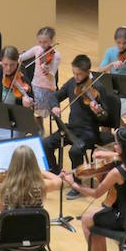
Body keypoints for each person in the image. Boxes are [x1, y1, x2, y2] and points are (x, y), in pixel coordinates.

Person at [60, 126, 126, 251]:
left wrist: (73, 184)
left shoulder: (116, 173)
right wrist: (111, 154)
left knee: (87, 220)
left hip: (123, 218)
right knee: (95, 215)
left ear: (124, 147)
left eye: (117, 144)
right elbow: (121, 156)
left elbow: (96, 193)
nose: (114, 146)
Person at [42, 55, 109, 200]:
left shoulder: (98, 87)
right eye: (74, 73)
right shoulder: (72, 83)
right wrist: (54, 106)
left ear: (87, 71)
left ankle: (76, 184)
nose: (76, 77)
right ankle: (56, 174)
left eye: (79, 74)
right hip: (71, 129)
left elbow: (106, 116)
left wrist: (98, 112)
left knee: (75, 151)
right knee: (45, 143)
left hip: (89, 132)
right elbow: (54, 96)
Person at [18, 26, 60, 122]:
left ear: (52, 40)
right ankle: (34, 122)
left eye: (45, 42)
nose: (42, 45)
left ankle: (37, 121)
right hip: (35, 85)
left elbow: (53, 73)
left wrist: (47, 71)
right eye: (40, 42)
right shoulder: (37, 49)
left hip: (48, 88)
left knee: (36, 104)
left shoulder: (56, 55)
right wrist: (17, 59)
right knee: (24, 100)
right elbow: (22, 57)